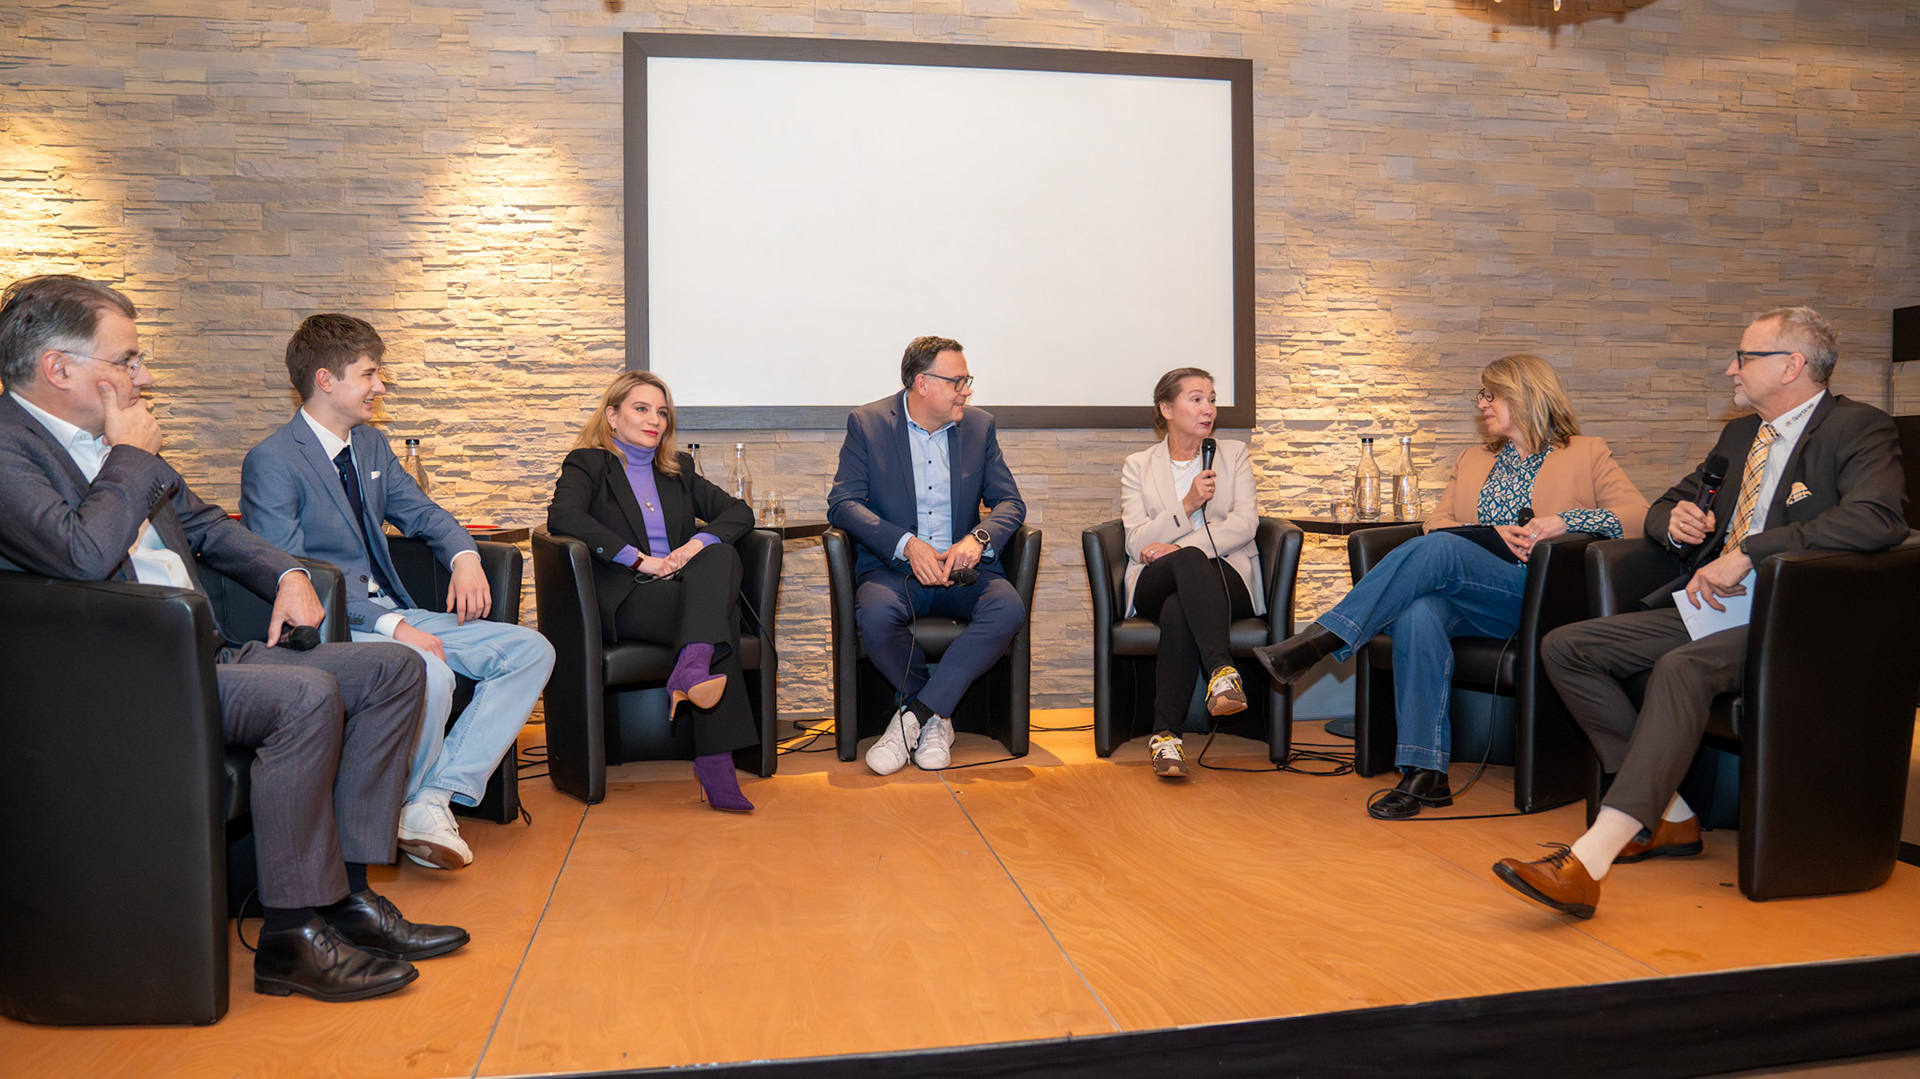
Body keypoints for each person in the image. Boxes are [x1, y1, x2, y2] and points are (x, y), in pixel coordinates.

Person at [0, 275, 467, 1003]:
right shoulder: (11, 450)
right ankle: (290, 935)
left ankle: (345, 896)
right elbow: (80, 556)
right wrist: (128, 458)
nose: (144, 375)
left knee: (391, 670)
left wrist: (285, 571)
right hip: (120, 679)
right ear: (58, 368)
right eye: (127, 358)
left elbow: (212, 526)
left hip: (198, 655)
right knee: (307, 692)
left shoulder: (110, 439)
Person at [1493, 307, 1907, 918]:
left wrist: (1750, 553)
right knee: (1567, 647)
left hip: (1791, 618)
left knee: (1682, 669)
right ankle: (1673, 816)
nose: (1729, 368)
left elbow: (1880, 518)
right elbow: (1664, 505)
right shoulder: (1742, 436)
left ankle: (1589, 861)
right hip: (1715, 607)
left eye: (1744, 357)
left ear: (1792, 366)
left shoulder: (1858, 428)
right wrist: (1676, 522)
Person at [1252, 353, 1648, 818]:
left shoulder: (1585, 452)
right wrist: (1490, 533)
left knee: (1441, 551)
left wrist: (1564, 522)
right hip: (1475, 593)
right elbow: (1437, 521)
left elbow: (1639, 517)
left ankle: (1323, 639)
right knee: (1419, 612)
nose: (1482, 404)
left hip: (1541, 596)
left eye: (1490, 394)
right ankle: (1426, 773)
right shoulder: (1475, 459)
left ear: (1524, 395)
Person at [241, 314, 556, 870]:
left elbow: (425, 515)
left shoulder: (371, 446)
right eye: (370, 374)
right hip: (337, 627)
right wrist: (393, 628)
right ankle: (399, 810)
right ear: (326, 379)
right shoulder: (272, 462)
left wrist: (464, 558)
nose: (380, 387)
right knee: (428, 671)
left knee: (531, 651)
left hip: (397, 610)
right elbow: (291, 574)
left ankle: (430, 796)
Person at [546, 371, 760, 811]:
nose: (655, 420)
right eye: (641, 409)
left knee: (719, 555)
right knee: (715, 618)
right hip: (629, 596)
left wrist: (691, 547)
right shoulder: (588, 463)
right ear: (612, 415)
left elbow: (738, 512)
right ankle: (715, 762)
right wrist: (640, 559)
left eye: (661, 412)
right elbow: (563, 518)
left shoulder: (677, 470)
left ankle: (692, 666)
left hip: (682, 592)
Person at [827, 335, 1028, 775]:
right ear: (923, 383)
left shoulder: (979, 426)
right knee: (876, 616)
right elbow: (843, 503)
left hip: (962, 573)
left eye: (967, 381)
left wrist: (977, 538)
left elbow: (1011, 503)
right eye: (958, 381)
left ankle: (915, 716)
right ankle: (936, 720)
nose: (966, 391)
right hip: (895, 570)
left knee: (1008, 608)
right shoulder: (869, 423)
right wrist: (906, 544)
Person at [1119, 367, 1265, 778]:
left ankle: (1165, 736)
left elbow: (1244, 524)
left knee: (1179, 607)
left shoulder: (1232, 454)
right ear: (1166, 408)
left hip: (1225, 575)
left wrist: (1179, 547)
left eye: (1212, 399)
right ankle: (1221, 670)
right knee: (1184, 566)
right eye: (1196, 399)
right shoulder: (1139, 465)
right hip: (1153, 577)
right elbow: (1135, 542)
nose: (1209, 409)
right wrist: (1185, 505)